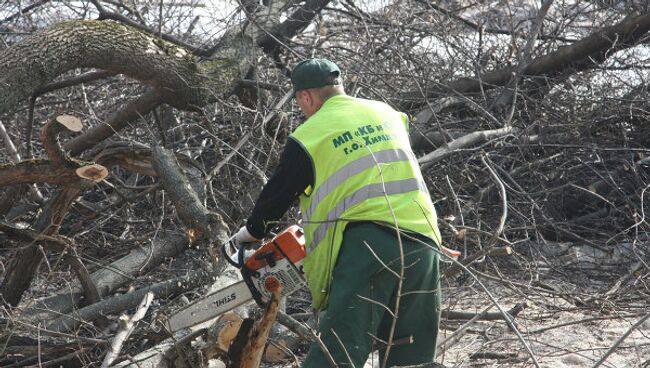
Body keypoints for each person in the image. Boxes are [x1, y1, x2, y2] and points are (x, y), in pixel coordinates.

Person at [233, 58, 443, 367]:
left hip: (369, 247)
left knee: (339, 350)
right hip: (424, 240)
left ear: (306, 97)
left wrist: (249, 233)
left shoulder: (310, 134)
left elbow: (277, 195)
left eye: (300, 103)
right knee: (410, 352)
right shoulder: (387, 114)